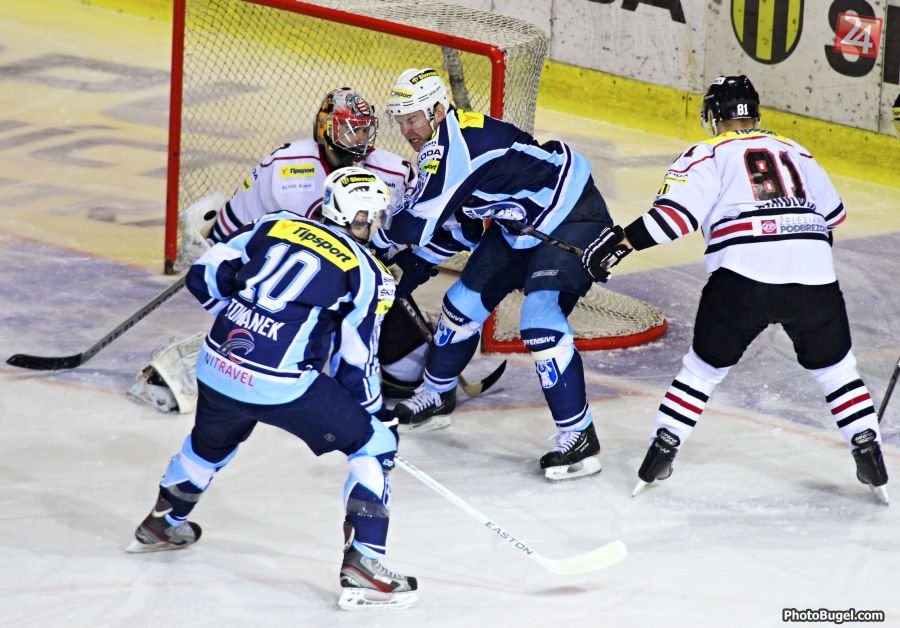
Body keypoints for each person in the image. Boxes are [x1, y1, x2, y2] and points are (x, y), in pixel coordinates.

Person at [581, 75, 889, 504]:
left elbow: (672, 220)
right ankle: (866, 445)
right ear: (755, 114)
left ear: (713, 115)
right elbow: (833, 216)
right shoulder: (796, 150)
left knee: (702, 371)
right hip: (814, 278)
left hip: (742, 277)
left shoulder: (707, 154)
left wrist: (619, 245)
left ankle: (661, 451)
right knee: (837, 371)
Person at [126, 167, 419, 611]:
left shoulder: (276, 223)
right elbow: (355, 360)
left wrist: (244, 324)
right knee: (374, 443)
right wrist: (375, 415)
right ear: (361, 216)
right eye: (374, 215)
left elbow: (202, 274)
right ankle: (364, 566)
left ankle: (162, 524)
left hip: (217, 363)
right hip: (279, 384)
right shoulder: (368, 273)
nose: (376, 223)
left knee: (208, 446)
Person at [129, 87, 432, 414]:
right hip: (287, 288)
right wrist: (220, 268)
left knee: (409, 373)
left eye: (363, 130)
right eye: (348, 130)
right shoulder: (285, 164)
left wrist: (402, 260)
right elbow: (233, 228)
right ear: (324, 129)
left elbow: (417, 230)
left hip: (356, 285)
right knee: (272, 346)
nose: (358, 140)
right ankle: (227, 353)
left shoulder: (395, 172)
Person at [376, 67, 615, 481]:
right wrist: (419, 263)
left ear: (436, 111)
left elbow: (416, 225)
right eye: (401, 122)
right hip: (518, 225)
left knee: (540, 320)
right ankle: (436, 394)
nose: (407, 131)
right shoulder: (443, 143)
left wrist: (369, 246)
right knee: (460, 306)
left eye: (412, 119)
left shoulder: (455, 148)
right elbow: (465, 227)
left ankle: (579, 436)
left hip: (572, 213)